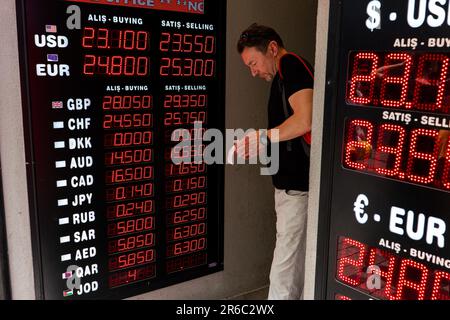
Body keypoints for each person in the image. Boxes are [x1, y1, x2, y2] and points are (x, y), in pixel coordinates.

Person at [236, 23, 314, 300]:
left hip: (297, 191)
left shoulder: (290, 65)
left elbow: (306, 119)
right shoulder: (283, 75)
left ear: (272, 48)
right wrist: (263, 143)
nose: (253, 71)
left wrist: (263, 137)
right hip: (290, 190)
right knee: (296, 268)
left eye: (254, 63)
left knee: (283, 270)